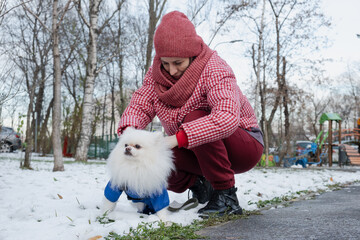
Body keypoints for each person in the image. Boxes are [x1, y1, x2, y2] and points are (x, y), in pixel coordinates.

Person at [117, 11, 264, 217]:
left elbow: (226, 117)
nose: (171, 70)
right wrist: (127, 134)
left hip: (243, 144)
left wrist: (178, 138)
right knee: (152, 160)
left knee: (196, 116)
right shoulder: (156, 74)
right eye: (166, 63)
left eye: (178, 63)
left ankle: (226, 195)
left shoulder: (215, 68)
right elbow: (141, 104)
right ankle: (201, 185)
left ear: (192, 55)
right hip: (194, 148)